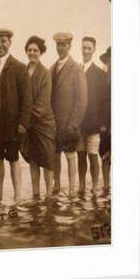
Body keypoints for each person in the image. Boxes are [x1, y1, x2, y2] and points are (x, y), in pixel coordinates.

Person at [0, 28, 32, 205]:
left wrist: (23, 123)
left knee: (14, 159)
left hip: (14, 124)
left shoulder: (20, 67)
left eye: (3, 41)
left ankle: (16, 196)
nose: (0, 45)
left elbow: (27, 98)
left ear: (10, 43)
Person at [50, 32, 87, 198]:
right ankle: (56, 186)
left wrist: (74, 124)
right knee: (56, 157)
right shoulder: (52, 67)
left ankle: (72, 189)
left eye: (63, 45)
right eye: (58, 45)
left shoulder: (76, 68)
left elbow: (82, 100)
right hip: (55, 125)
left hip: (69, 125)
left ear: (69, 46)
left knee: (71, 157)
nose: (60, 48)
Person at [21, 36, 57, 199]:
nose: (32, 53)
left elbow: (43, 103)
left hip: (44, 123)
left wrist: (25, 122)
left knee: (47, 160)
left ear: (41, 52)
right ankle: (36, 194)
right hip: (29, 125)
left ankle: (48, 194)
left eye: (35, 50)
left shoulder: (45, 73)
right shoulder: (23, 70)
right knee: (33, 159)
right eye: (29, 50)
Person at [77, 37, 110, 196]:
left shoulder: (99, 73)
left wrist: (103, 123)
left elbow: (105, 100)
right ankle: (82, 185)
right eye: (84, 47)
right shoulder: (77, 69)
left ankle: (95, 186)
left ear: (94, 50)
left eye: (89, 48)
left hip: (94, 123)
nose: (86, 51)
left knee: (93, 156)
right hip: (78, 124)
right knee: (80, 155)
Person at [99, 46, 111, 193]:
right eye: (109, 60)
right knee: (104, 154)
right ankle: (106, 185)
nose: (111, 63)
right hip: (104, 123)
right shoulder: (103, 78)